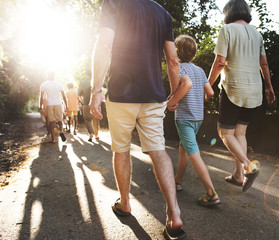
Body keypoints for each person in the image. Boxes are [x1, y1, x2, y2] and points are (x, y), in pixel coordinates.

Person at [89, 1, 186, 239]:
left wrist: (95, 90)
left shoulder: (113, 3)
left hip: (121, 94)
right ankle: (174, 215)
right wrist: (174, 94)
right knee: (158, 150)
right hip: (154, 95)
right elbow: (173, 59)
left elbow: (104, 44)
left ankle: (125, 203)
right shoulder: (162, 14)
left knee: (121, 149)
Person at [208, 0, 275, 192]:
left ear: (228, 12)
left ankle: (248, 165)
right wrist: (269, 88)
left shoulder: (227, 29)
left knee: (225, 133)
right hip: (254, 89)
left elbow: (220, 61)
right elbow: (264, 64)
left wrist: (208, 83)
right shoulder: (257, 33)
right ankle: (238, 176)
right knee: (240, 133)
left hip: (233, 88)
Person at [167, 35, 219, 207]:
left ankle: (211, 193)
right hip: (198, 118)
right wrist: (199, 99)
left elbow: (186, 85)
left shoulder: (179, 68)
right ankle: (177, 181)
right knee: (184, 150)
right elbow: (210, 93)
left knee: (193, 154)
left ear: (177, 50)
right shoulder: (200, 71)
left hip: (185, 119)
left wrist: (172, 102)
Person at [39, 72, 67, 143]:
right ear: (54, 76)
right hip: (58, 103)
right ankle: (60, 131)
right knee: (60, 120)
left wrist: (40, 107)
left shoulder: (44, 84)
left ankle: (53, 139)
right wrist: (67, 106)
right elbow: (64, 96)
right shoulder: (59, 84)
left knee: (51, 121)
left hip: (49, 104)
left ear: (47, 76)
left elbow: (41, 97)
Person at [78, 77, 95, 142]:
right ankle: (96, 134)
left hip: (86, 103)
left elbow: (79, 94)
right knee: (96, 118)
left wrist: (82, 101)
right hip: (95, 103)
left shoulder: (83, 82)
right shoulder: (96, 80)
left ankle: (91, 133)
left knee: (87, 119)